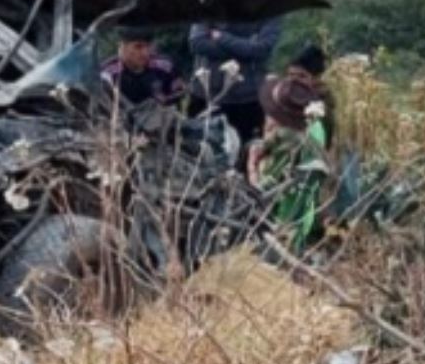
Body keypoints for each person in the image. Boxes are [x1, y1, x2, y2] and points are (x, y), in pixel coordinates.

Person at [250, 45, 335, 252]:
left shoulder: (320, 108)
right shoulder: (284, 95)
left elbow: (321, 147)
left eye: (302, 76)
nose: (294, 81)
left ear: (315, 79)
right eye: (291, 75)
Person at [189, 16, 283, 151]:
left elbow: (261, 50)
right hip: (206, 97)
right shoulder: (209, 7)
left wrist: (221, 37)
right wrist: (246, 47)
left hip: (249, 101)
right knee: (198, 152)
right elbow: (197, 43)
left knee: (249, 152)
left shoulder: (269, 12)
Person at [100, 33, 183, 108]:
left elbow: (181, 97)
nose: (145, 53)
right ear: (122, 48)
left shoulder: (165, 67)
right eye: (138, 47)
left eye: (148, 46)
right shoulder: (108, 74)